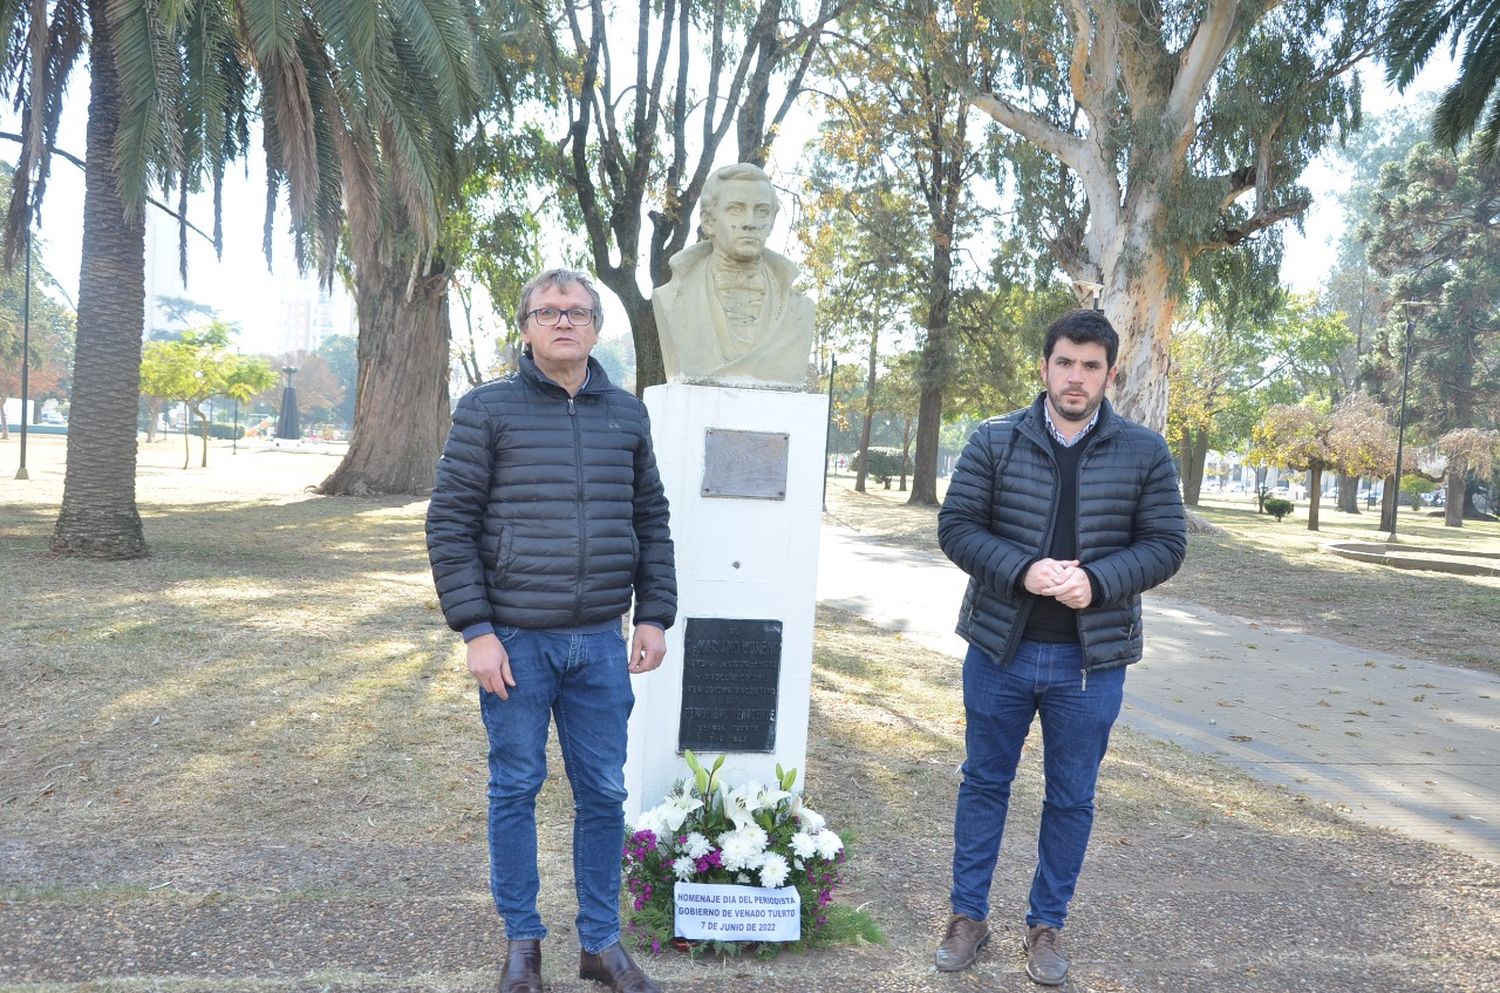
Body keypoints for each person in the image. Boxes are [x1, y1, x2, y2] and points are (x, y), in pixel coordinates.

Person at [426, 268, 676, 993]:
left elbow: (650, 519)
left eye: (577, 312)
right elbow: (450, 523)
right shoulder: (487, 409)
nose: (563, 321)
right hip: (516, 640)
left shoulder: (626, 415)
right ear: (526, 326)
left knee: (602, 791)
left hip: (600, 639)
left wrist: (655, 612)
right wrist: (476, 629)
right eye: (548, 311)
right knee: (517, 787)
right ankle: (523, 943)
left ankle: (600, 943)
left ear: (597, 327)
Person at [933, 309, 1187, 986]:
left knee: (1071, 795)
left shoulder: (1145, 451)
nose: (1076, 377)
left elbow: (1167, 544)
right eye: (1065, 362)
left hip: (1090, 662)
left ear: (1110, 372)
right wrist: (1022, 568)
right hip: (999, 649)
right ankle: (967, 916)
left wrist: (1098, 581)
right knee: (984, 781)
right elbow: (956, 527)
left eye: (1091, 365)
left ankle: (1046, 925)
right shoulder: (993, 440)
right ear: (1045, 366)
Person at [651, 163, 814, 385]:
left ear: (772, 222)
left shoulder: (798, 311)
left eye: (762, 211)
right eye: (736, 210)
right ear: (709, 222)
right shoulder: (672, 299)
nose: (750, 223)